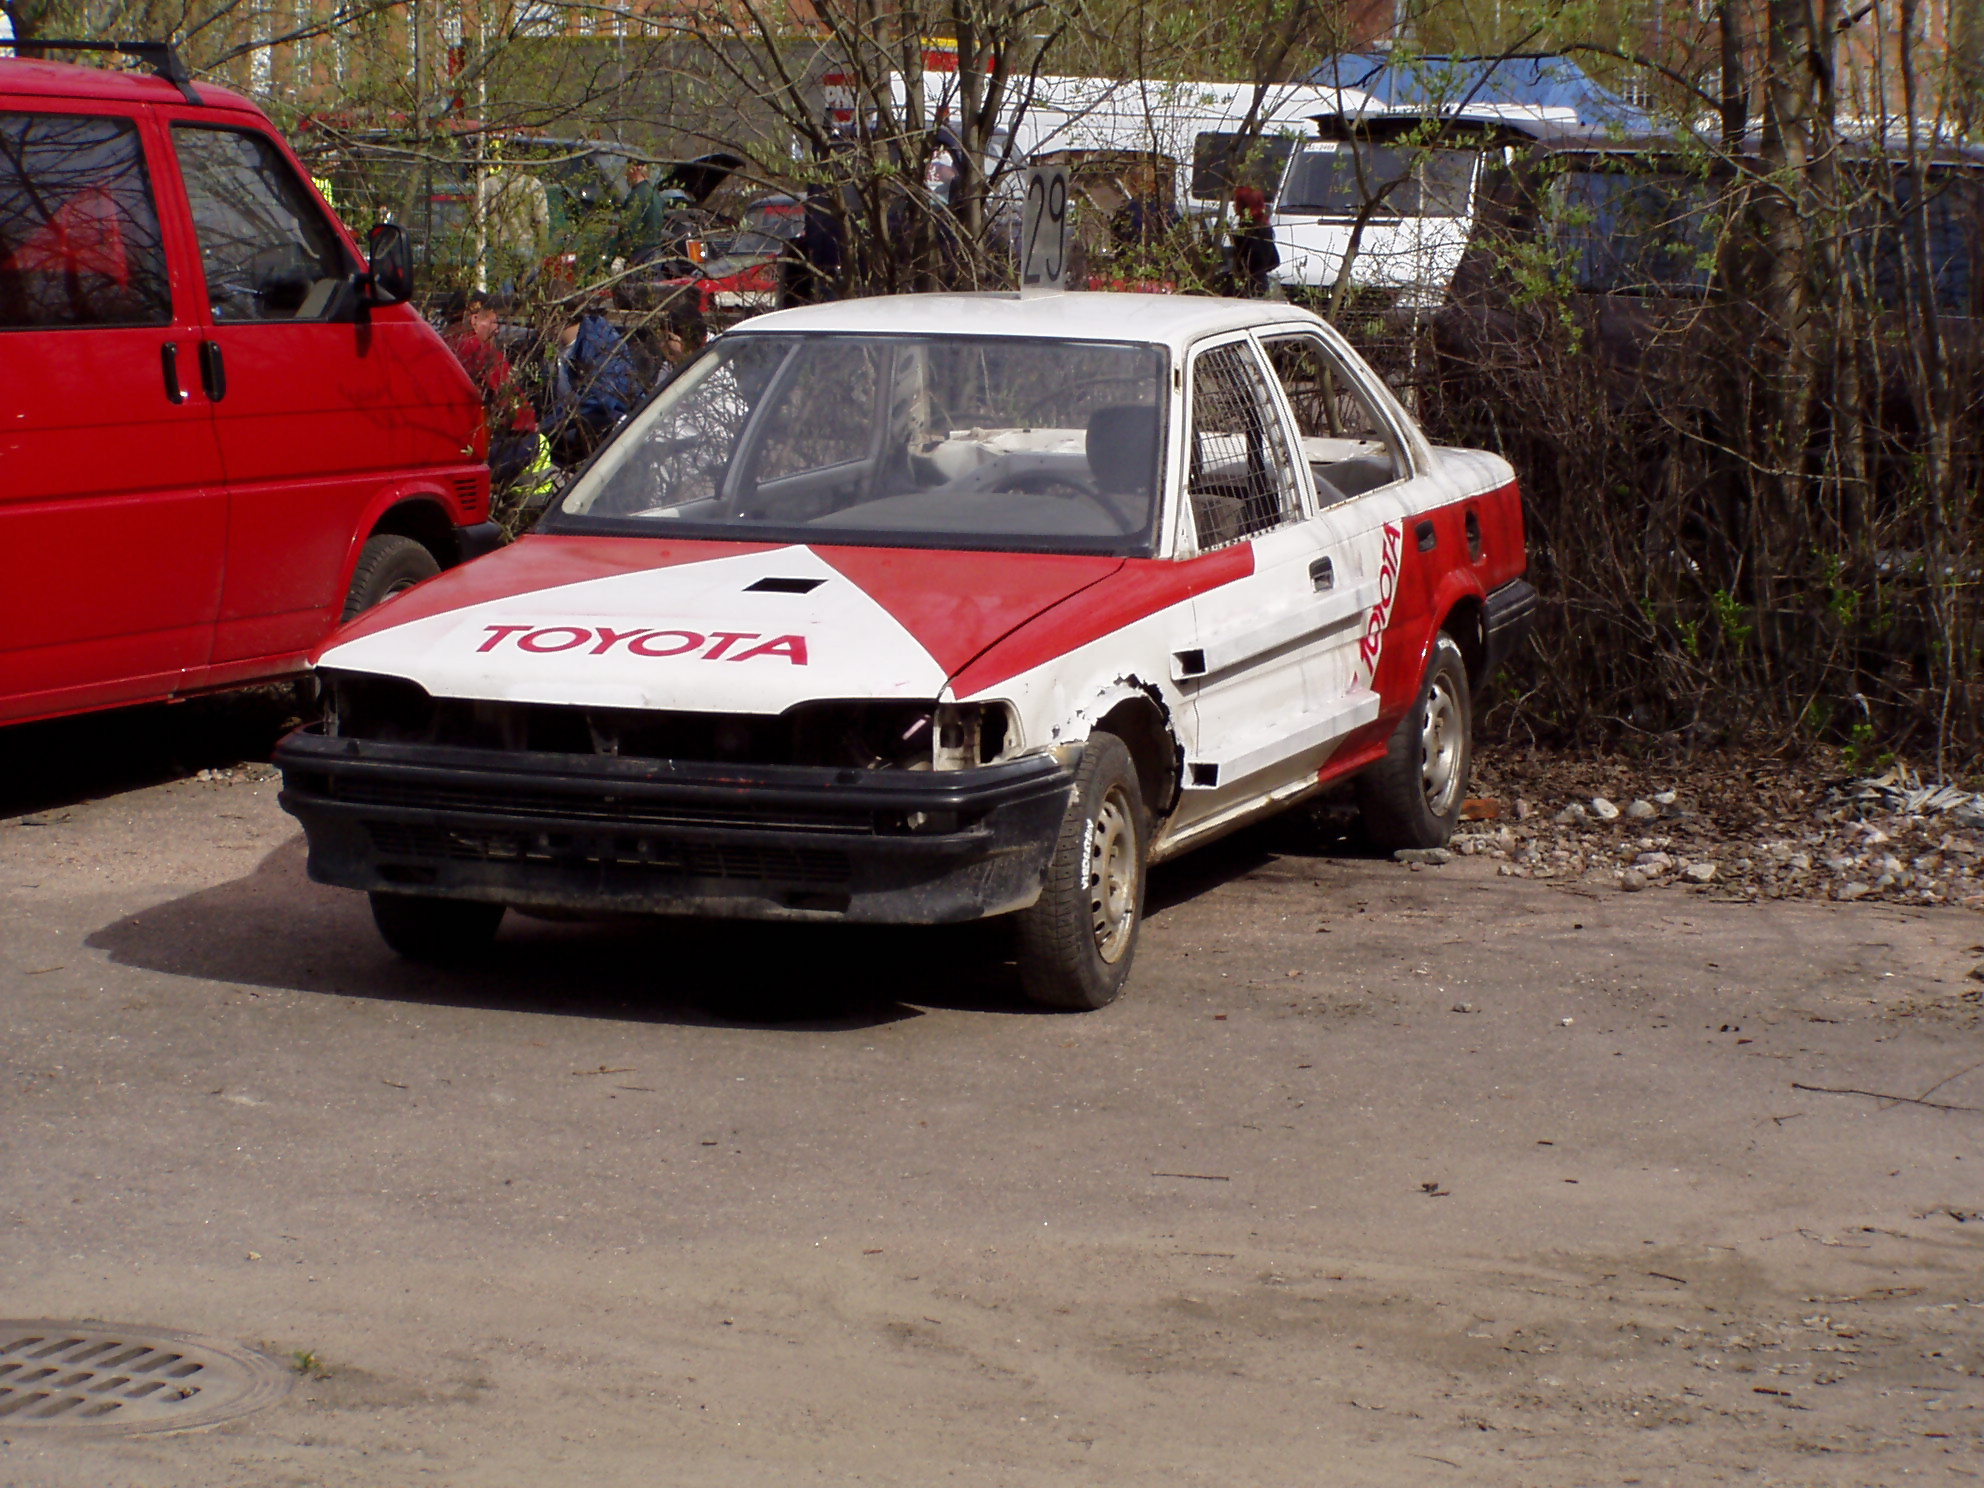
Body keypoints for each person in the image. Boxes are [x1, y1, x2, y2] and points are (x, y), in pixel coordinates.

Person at [443, 291, 552, 501]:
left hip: (449, 444)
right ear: (474, 320)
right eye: (493, 322)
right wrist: (530, 422)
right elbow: (515, 409)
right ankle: (527, 504)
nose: (496, 330)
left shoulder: (441, 342)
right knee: (538, 443)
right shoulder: (478, 351)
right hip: (473, 450)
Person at [1230, 185, 1280, 299]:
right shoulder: (1265, 226)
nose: (1233, 205)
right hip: (1262, 285)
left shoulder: (1245, 232)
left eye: (1236, 202)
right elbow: (1275, 261)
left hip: (1248, 289)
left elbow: (1246, 263)